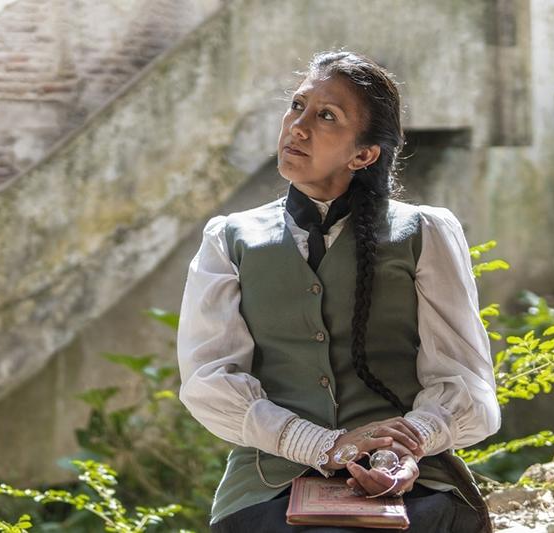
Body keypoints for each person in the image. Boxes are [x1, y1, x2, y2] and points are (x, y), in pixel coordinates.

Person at [177, 50, 501, 532]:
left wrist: (405, 444)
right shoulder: (229, 239)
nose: (297, 126)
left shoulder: (425, 233)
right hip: (269, 483)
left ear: (364, 154)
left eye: (326, 116)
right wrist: (323, 445)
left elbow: (468, 386)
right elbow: (208, 382)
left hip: (413, 480)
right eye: (296, 105)